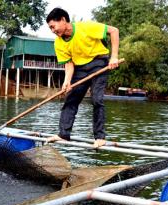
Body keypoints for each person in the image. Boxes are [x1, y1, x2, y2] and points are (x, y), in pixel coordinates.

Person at [45, 8, 120, 148]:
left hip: (98, 63)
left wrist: (114, 56)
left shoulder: (85, 27)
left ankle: (100, 137)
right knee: (71, 98)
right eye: (50, 28)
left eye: (53, 26)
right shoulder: (58, 43)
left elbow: (114, 31)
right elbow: (69, 64)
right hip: (79, 68)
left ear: (62, 20)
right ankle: (63, 134)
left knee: (97, 99)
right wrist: (67, 82)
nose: (53, 30)